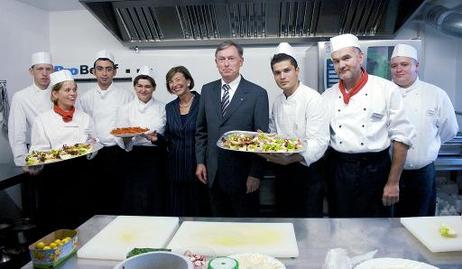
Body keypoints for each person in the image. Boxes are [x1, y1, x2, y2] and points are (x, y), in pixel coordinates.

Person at [322, 34, 415, 217]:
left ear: (360, 57)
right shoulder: (327, 96)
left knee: (377, 231)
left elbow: (401, 138)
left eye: (346, 58)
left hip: (376, 171)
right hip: (339, 171)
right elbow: (321, 139)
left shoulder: (386, 89)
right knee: (340, 227)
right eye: (336, 61)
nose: (341, 65)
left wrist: (393, 182)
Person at [195, 40, 269, 217]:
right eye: (221, 59)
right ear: (216, 63)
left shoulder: (257, 93)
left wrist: (256, 174)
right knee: (218, 229)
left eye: (231, 58)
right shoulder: (207, 90)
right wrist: (200, 162)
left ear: (241, 61)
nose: (226, 63)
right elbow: (201, 131)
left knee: (245, 231)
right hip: (213, 174)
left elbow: (262, 139)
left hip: (243, 177)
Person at [390, 44, 459, 217]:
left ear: (417, 66)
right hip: (388, 174)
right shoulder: (383, 92)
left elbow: (450, 130)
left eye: (404, 64)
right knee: (387, 222)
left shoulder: (436, 94)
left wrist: (427, 145)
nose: (398, 69)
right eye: (394, 65)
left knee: (421, 220)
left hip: (422, 173)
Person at [262, 42, 329, 217]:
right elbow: (275, 133)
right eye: (277, 72)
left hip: (307, 172)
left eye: (287, 70)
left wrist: (291, 159)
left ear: (297, 71)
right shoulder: (277, 101)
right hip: (283, 173)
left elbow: (319, 142)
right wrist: (263, 141)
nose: (282, 76)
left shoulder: (313, 98)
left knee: (308, 226)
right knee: (285, 221)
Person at [29, 69, 97, 231]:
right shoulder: (42, 120)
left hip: (82, 174)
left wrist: (93, 146)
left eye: (74, 89)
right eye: (67, 90)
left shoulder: (85, 117)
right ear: (55, 94)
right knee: (58, 224)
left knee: (83, 222)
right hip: (54, 178)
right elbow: (38, 152)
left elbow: (94, 144)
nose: (72, 93)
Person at [150, 66, 211, 217]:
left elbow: (209, 135)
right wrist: (157, 138)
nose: (174, 84)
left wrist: (202, 161)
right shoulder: (169, 107)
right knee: (177, 212)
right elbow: (169, 139)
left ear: (188, 81)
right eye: (170, 81)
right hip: (175, 168)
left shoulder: (204, 102)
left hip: (199, 167)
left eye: (178, 79)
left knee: (199, 210)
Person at [78, 49, 133, 215]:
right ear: (93, 71)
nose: (104, 73)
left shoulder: (126, 95)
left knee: (121, 197)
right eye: (100, 68)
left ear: (115, 71)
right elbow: (83, 126)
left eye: (108, 69)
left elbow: (130, 124)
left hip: (119, 152)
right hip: (95, 153)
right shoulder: (85, 98)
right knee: (96, 197)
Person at [114, 66, 167, 216]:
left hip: (156, 158)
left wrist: (157, 139)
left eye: (147, 86)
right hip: (132, 157)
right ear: (135, 87)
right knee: (134, 198)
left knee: (156, 198)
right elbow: (120, 134)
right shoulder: (125, 108)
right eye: (140, 86)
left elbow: (167, 136)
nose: (143, 90)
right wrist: (127, 139)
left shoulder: (163, 108)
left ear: (154, 88)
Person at [8, 52, 53, 169]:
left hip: (64, 154)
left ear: (53, 71)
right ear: (31, 71)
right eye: (40, 69)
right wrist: (23, 160)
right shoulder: (21, 97)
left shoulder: (62, 92)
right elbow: (17, 132)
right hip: (37, 157)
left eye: (48, 69)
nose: (44, 73)